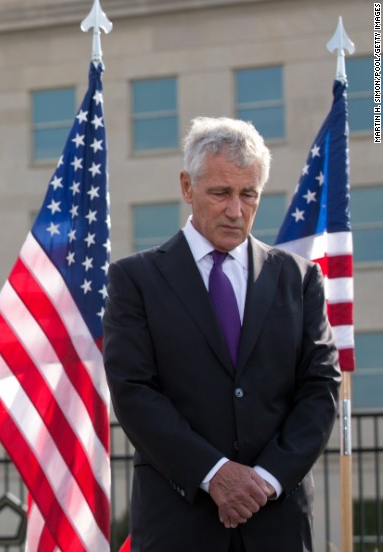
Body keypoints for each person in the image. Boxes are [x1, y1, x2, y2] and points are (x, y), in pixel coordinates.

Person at [102, 116, 340, 551]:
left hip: (277, 524)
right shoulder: (134, 280)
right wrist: (215, 474)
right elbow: (134, 391)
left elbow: (320, 388)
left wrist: (263, 482)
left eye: (248, 194)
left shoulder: (300, 280)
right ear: (187, 188)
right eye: (221, 193)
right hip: (178, 525)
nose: (236, 210)